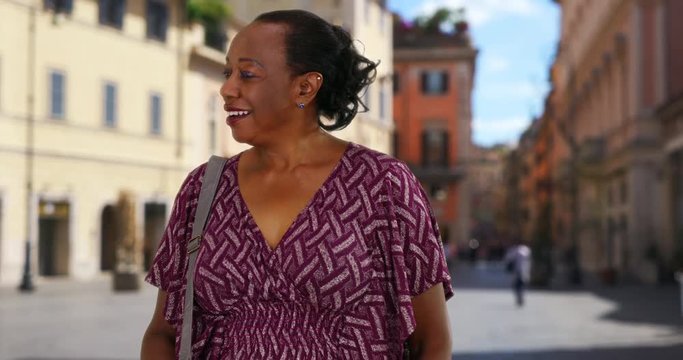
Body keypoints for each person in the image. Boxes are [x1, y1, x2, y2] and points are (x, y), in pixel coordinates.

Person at [141, 9, 453, 359]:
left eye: (247, 74)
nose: (227, 88)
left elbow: (433, 340)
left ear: (305, 87)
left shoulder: (383, 185)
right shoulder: (204, 188)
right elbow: (162, 334)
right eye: (228, 72)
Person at [504, 240, 531, 307]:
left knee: (517, 285)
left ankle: (519, 297)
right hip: (524, 271)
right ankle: (520, 297)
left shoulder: (514, 250)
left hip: (517, 271)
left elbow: (508, 258)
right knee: (521, 285)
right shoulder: (526, 250)